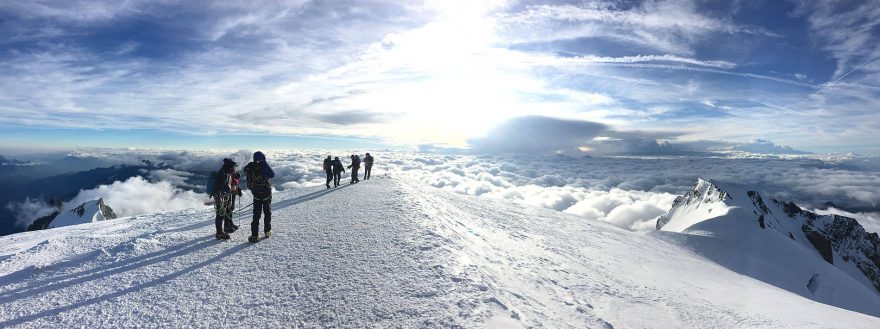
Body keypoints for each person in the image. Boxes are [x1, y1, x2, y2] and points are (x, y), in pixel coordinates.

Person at [244, 151, 275, 242]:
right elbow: (272, 175)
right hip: (266, 193)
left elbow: (246, 174)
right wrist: (265, 164)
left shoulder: (250, 167)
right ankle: (267, 231)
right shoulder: (263, 165)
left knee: (256, 215)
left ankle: (254, 235)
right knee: (267, 213)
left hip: (256, 194)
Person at [212, 158, 237, 240]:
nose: (234, 169)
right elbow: (218, 188)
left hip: (224, 196)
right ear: (229, 167)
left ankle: (220, 231)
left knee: (222, 214)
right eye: (233, 167)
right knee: (220, 215)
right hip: (220, 197)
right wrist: (220, 197)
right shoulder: (222, 174)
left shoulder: (225, 173)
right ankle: (219, 233)